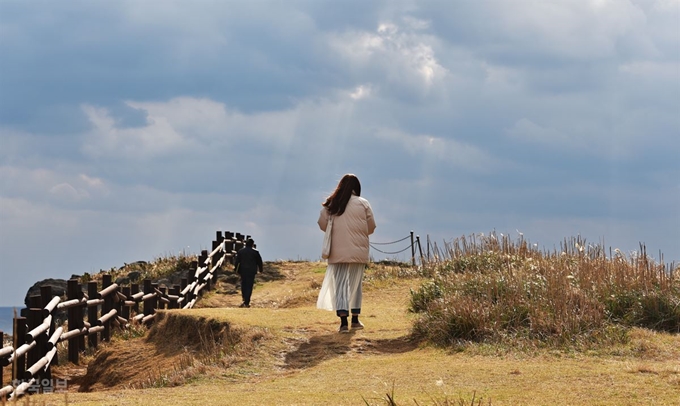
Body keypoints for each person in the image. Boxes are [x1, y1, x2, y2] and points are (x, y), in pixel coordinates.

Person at [317, 174, 376, 333]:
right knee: (356, 285)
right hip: (358, 251)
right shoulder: (363, 203)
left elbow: (322, 224)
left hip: (337, 252)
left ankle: (343, 322)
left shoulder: (332, 204)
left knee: (341, 286)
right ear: (356, 188)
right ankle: (355, 320)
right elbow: (371, 227)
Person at [234, 238, 263, 308]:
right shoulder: (255, 252)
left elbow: (237, 262)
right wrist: (261, 270)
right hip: (251, 271)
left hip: (243, 270)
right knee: (249, 285)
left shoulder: (241, 251)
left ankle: (244, 298)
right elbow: (259, 262)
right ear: (252, 244)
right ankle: (247, 301)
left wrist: (236, 270)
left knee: (243, 284)